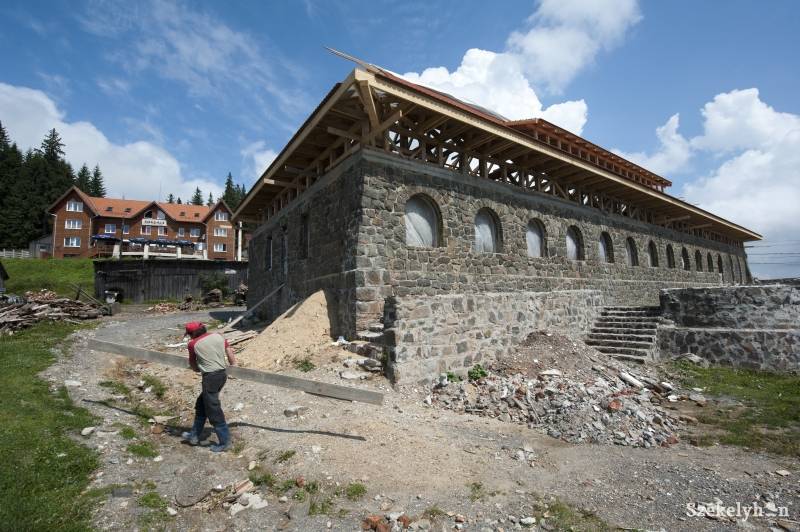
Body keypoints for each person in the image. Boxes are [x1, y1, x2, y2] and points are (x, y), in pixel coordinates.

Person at [180, 321, 237, 452]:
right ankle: (193, 435)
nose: (189, 337)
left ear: (193, 333)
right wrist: (233, 364)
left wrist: (199, 368)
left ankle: (225, 442)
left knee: (213, 409)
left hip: (210, 378)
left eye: (189, 334)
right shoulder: (218, 336)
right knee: (202, 404)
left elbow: (193, 365)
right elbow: (229, 351)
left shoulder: (193, 344)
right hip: (222, 375)